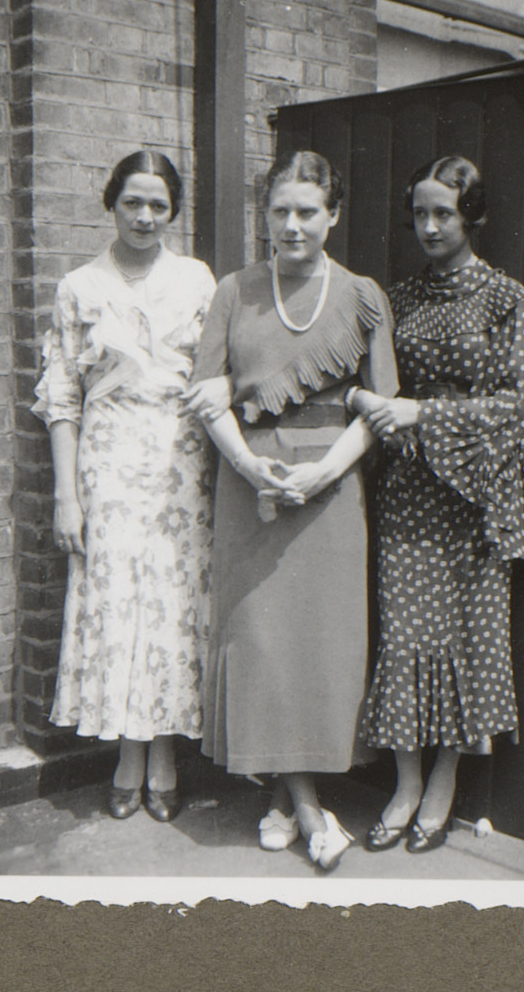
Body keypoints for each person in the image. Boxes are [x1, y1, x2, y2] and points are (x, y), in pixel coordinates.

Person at [191, 151, 399, 872]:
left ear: (332, 215)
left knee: (315, 646)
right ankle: (312, 814)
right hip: (252, 486)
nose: (291, 225)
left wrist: (323, 472)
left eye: (307, 211)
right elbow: (207, 396)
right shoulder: (233, 292)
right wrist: (249, 465)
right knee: (262, 641)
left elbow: (378, 409)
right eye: (278, 210)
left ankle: (284, 800)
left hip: (329, 487)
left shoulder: (362, 296)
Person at [351, 155, 524, 854]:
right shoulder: (397, 300)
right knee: (404, 636)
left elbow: (513, 406)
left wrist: (422, 415)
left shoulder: (502, 299)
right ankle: (405, 785)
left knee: (466, 637)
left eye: (444, 213)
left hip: (472, 497)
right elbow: (369, 381)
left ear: (472, 215)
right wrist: (377, 406)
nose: (430, 226)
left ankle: (442, 783)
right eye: (420, 213)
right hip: (406, 489)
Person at [32, 150, 217, 823]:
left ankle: (163, 756)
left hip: (179, 460)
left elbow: (216, 373)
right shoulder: (79, 287)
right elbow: (61, 396)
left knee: (170, 601)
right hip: (106, 461)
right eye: (132, 202)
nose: (144, 216)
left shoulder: (196, 281)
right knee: (117, 602)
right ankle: (126, 756)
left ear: (173, 212)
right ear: (111, 202)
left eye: (158, 205)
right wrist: (67, 495)